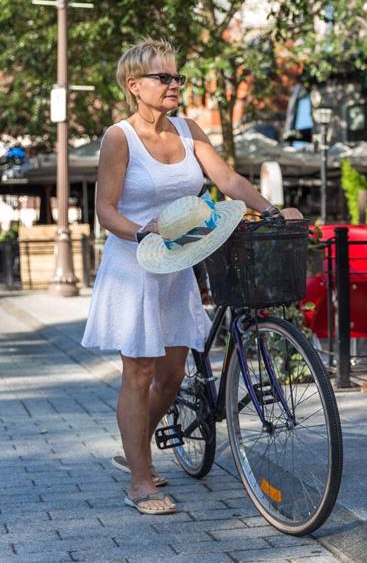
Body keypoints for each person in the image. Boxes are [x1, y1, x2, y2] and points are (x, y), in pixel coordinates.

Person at [81, 38, 302, 515]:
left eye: (177, 76)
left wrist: (272, 211)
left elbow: (229, 182)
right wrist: (143, 233)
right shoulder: (118, 138)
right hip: (135, 263)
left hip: (179, 261)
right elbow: (106, 210)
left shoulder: (187, 130)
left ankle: (134, 444)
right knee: (138, 373)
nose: (174, 85)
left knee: (172, 374)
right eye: (163, 77)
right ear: (134, 85)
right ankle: (141, 479)